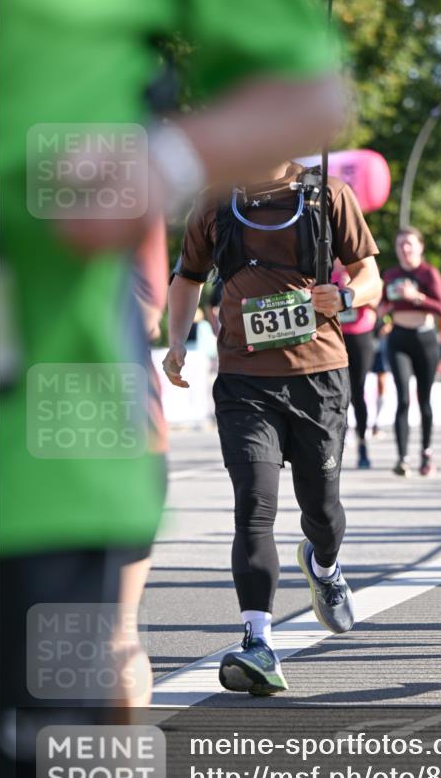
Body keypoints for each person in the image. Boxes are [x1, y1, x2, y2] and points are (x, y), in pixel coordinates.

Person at [0, 0, 346, 778]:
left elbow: (152, 274)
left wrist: (160, 172)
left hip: (61, 414)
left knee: (105, 647)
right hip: (221, 372)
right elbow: (184, 282)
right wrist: (186, 334)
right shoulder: (214, 220)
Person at [163, 161, 381, 695]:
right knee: (254, 506)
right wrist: (175, 345)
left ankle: (324, 567)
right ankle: (257, 641)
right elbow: (188, 276)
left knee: (322, 512)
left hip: (319, 379)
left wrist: (347, 296)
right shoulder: (216, 198)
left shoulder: (329, 192)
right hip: (243, 381)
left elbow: (370, 274)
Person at [382, 227, 441, 477]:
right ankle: (402, 458)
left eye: (409, 244)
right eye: (400, 245)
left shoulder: (428, 273)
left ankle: (426, 453)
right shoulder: (391, 274)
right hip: (399, 337)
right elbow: (383, 303)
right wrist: (381, 311)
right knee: (402, 398)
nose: (405, 249)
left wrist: (416, 297)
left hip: (425, 339)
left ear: (420, 247)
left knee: (424, 399)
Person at [333, 260, 379, 468]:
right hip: (334, 336)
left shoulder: (363, 268)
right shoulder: (325, 268)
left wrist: (351, 292)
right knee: (336, 391)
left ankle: (362, 445)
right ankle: (334, 446)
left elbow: (376, 301)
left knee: (357, 391)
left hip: (360, 334)